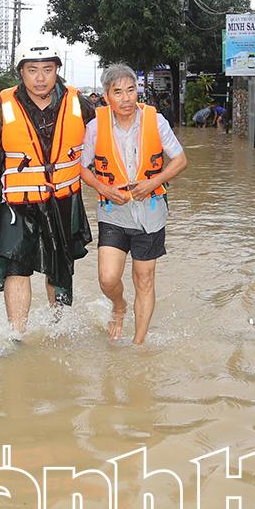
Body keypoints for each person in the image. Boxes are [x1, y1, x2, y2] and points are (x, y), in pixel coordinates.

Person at [0, 41, 97, 332]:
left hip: (62, 199)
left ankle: (60, 327)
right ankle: (16, 334)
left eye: (47, 70)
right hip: (17, 201)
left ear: (57, 71)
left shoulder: (79, 104)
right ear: (21, 73)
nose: (40, 78)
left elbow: (104, 143)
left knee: (60, 266)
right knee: (16, 264)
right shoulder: (3, 106)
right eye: (32, 70)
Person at [78, 63, 187, 345]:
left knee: (145, 279)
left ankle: (138, 344)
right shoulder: (94, 126)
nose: (126, 98)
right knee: (108, 278)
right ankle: (119, 305)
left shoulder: (156, 121)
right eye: (118, 92)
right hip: (113, 211)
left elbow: (180, 160)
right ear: (105, 95)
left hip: (150, 212)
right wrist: (103, 188)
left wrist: (154, 182)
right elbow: (83, 168)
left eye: (131, 90)